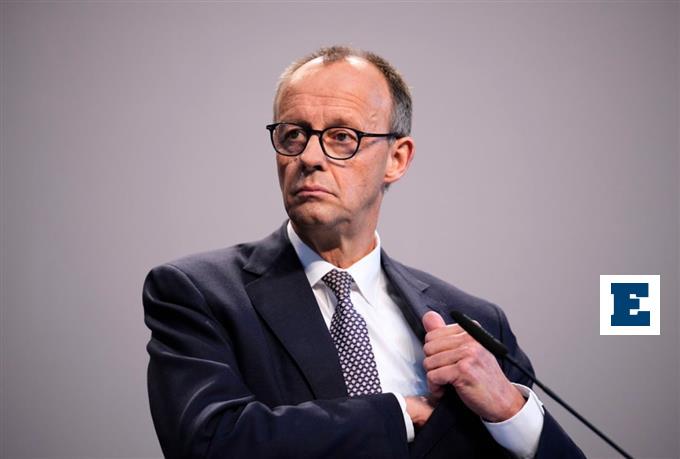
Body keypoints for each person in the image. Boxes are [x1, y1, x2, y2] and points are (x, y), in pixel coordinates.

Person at [143, 46, 584, 458]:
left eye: (341, 136)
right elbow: (209, 441)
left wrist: (509, 409)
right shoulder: (199, 293)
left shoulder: (475, 322)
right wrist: (398, 415)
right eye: (293, 134)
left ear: (397, 159)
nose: (309, 157)